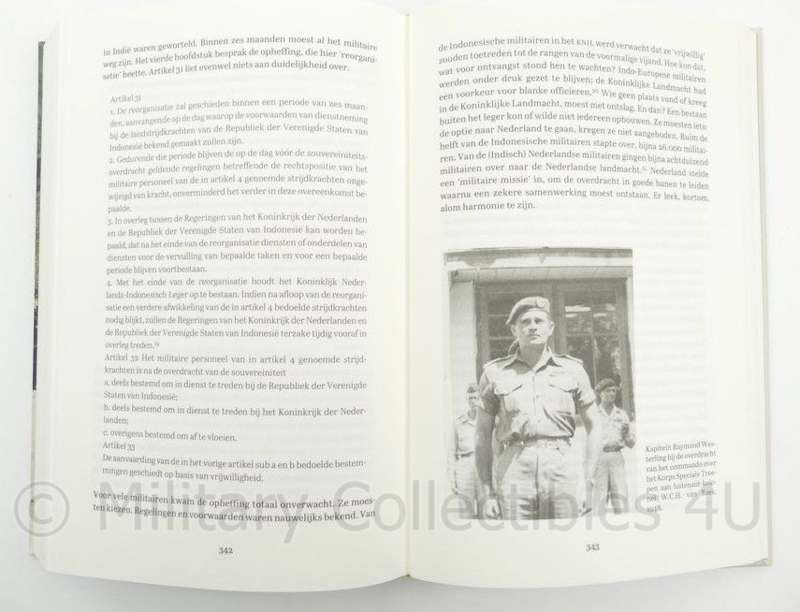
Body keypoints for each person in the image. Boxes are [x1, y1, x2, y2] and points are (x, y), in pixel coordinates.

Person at [475, 296, 603, 520]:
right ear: (514, 330)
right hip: (514, 468)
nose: (532, 326)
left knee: (567, 536)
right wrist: (486, 492)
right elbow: (482, 434)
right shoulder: (495, 373)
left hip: (562, 467)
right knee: (517, 538)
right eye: (525, 322)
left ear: (550, 328)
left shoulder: (573, 370)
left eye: (538, 321)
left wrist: (589, 481)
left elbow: (595, 426)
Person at [591, 378, 636, 514]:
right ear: (600, 394)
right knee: (600, 499)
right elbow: (588, 441)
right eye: (608, 391)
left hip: (616, 457)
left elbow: (631, 443)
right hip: (600, 457)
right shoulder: (593, 415)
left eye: (613, 391)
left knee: (620, 497)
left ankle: (623, 525)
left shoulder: (622, 415)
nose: (612, 393)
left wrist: (627, 433)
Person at [448, 383, 482, 518]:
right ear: (467, 400)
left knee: (487, 512)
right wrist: (452, 477)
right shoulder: (458, 423)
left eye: (476, 398)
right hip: (465, 467)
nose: (474, 401)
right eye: (470, 398)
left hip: (483, 466)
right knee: (466, 513)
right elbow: (451, 453)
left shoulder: (489, 422)